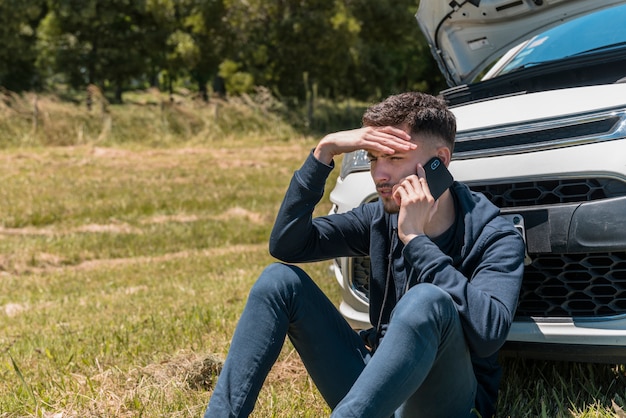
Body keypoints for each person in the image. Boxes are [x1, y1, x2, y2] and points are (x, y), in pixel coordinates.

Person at [204, 92, 525, 418]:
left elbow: (488, 335)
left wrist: (415, 239)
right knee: (278, 281)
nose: (379, 175)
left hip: (442, 401)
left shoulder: (494, 236)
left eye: (394, 158)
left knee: (427, 300)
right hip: (375, 391)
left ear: (438, 162)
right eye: (373, 158)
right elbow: (288, 245)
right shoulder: (380, 219)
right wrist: (323, 153)